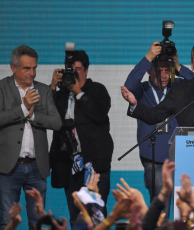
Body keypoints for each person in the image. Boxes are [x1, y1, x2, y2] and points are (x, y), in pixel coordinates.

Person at [124, 41, 194, 214]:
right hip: (153, 158)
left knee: (184, 208)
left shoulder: (179, 87)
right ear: (149, 70)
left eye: (167, 70)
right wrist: (148, 57)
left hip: (180, 157)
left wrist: (178, 66)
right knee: (160, 209)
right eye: (159, 69)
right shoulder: (142, 90)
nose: (164, 75)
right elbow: (128, 87)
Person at [0, 45, 62, 229]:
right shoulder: (2, 88)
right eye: (27, 68)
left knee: (37, 221)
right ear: (13, 68)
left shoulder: (43, 91)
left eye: (34, 68)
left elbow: (56, 123)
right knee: (6, 220)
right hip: (8, 168)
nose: (32, 73)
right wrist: (23, 109)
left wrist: (33, 116)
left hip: (37, 167)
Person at [49, 50, 113, 226]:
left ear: (86, 70)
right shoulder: (61, 94)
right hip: (69, 165)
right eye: (70, 69)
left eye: (77, 69)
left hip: (94, 165)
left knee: (96, 216)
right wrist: (53, 87)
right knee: (75, 217)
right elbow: (48, 116)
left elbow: (99, 114)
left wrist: (78, 91)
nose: (73, 73)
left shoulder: (97, 90)